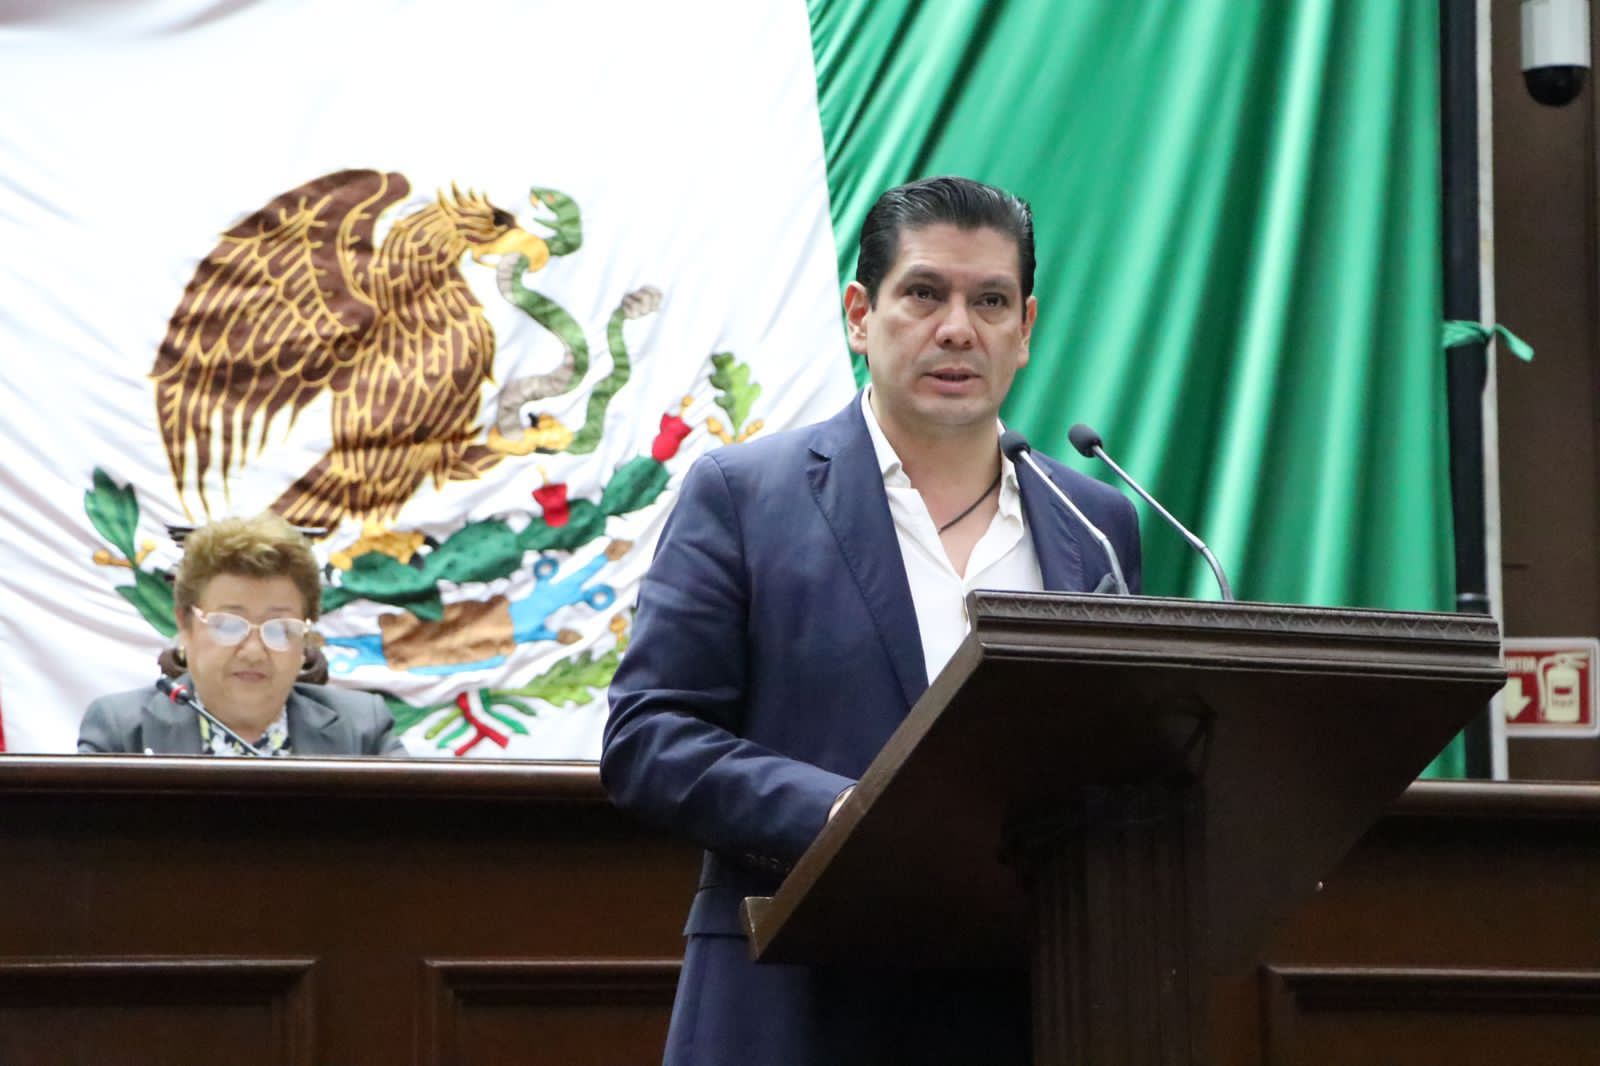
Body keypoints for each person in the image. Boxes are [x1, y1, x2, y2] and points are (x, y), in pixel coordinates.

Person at [602, 177, 1141, 1065]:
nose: (957, 329)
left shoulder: (1094, 523)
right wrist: (850, 814)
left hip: (1030, 1004)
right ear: (861, 315)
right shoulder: (745, 497)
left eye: (990, 302)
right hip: (797, 1001)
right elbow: (649, 737)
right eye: (924, 293)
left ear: (1025, 329)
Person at [79, 512, 406, 757]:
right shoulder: (122, 732)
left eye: (279, 628)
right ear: (185, 624)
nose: (253, 651)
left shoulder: (361, 730)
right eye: (229, 626)